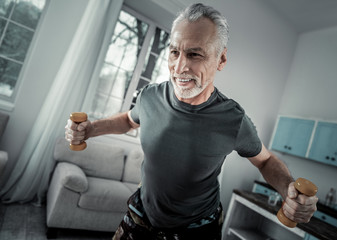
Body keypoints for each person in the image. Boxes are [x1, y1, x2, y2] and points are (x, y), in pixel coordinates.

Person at [65, 3, 318, 240]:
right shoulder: (150, 96)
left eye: (195, 54)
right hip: (141, 215)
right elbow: (129, 121)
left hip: (197, 229)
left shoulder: (233, 120)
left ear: (221, 60)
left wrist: (288, 190)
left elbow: (265, 160)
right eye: (175, 52)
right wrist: (91, 129)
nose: (179, 67)